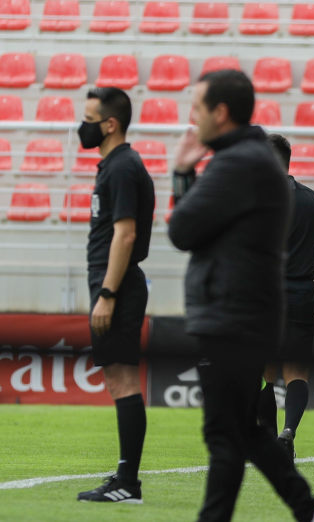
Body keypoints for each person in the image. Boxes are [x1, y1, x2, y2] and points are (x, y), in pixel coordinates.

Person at [167, 69, 314, 522]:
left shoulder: (237, 164)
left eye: (197, 107)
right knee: (244, 429)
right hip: (245, 312)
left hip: (232, 316)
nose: (191, 116)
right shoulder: (250, 161)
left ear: (220, 113)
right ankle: (311, 513)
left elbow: (183, 231)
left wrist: (182, 172)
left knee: (224, 434)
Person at [76, 87, 154, 504]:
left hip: (117, 286)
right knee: (115, 377)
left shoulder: (123, 167)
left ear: (109, 124)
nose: (82, 126)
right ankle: (126, 476)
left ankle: (128, 483)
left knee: (122, 378)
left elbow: (125, 232)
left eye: (89, 118)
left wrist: (107, 292)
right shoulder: (115, 165)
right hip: (112, 283)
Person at [257, 133, 314, 458]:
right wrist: (304, 258)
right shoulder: (313, 199)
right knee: (297, 373)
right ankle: (288, 431)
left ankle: (267, 440)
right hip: (302, 294)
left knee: (265, 372)